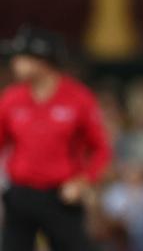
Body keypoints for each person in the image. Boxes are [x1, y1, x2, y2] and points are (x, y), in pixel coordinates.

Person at [0, 26, 112, 251]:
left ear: (42, 61)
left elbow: (101, 149)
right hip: (20, 194)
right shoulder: (12, 98)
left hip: (62, 196)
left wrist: (83, 182)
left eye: (22, 57)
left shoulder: (78, 98)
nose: (15, 63)